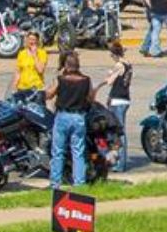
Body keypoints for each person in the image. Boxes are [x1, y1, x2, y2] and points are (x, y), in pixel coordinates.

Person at [46, 52, 120, 189]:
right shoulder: (86, 80)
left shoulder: (60, 79)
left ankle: (55, 183)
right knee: (78, 152)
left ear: (66, 65)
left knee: (58, 151)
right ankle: (79, 183)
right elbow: (91, 98)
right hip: (79, 117)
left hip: (63, 116)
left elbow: (49, 95)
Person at [104, 40, 133, 169]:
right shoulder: (129, 65)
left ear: (114, 54)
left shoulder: (119, 65)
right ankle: (119, 162)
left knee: (118, 132)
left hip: (117, 100)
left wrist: (109, 75)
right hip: (125, 99)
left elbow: (110, 82)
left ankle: (119, 163)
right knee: (120, 131)